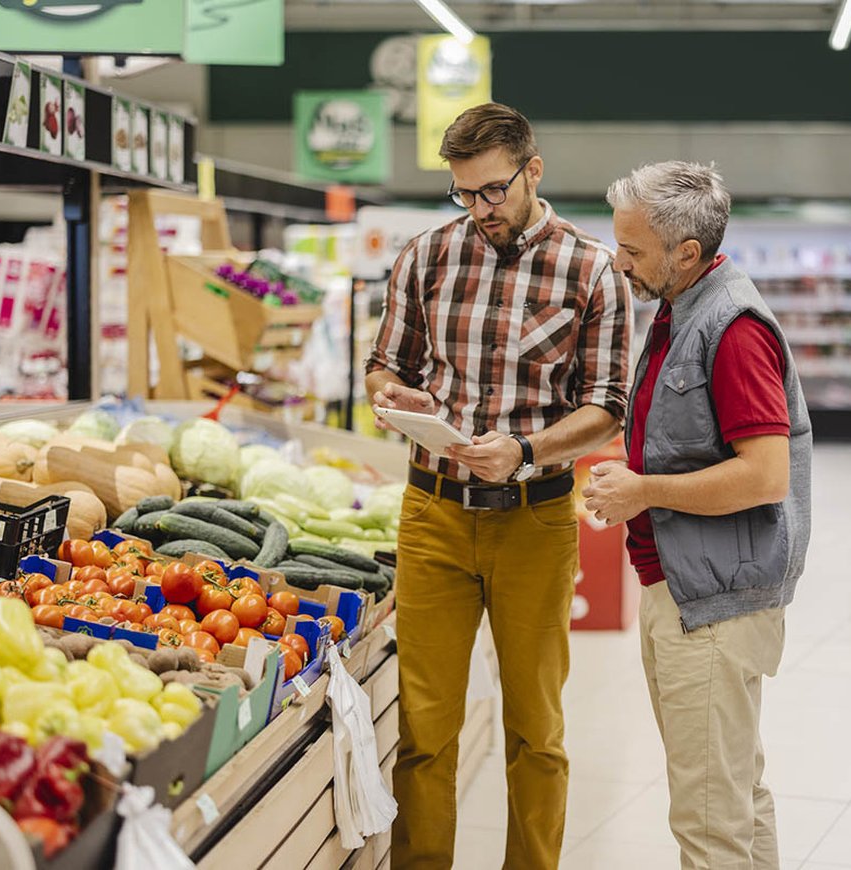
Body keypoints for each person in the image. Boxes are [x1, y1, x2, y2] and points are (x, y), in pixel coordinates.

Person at [364, 103, 632, 869]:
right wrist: (395, 395)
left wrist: (525, 448)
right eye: (464, 193)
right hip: (433, 515)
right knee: (425, 728)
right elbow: (385, 365)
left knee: (535, 732)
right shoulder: (425, 256)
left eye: (493, 191)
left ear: (532, 171)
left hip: (535, 521)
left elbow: (607, 406)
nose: (480, 209)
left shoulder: (590, 270)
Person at [583, 161, 812, 870]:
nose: (619, 264)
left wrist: (643, 493)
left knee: (708, 823)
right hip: (688, 586)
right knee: (735, 795)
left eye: (633, 251)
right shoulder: (680, 308)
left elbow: (764, 475)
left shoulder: (731, 328)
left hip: (711, 606)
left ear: (686, 252)